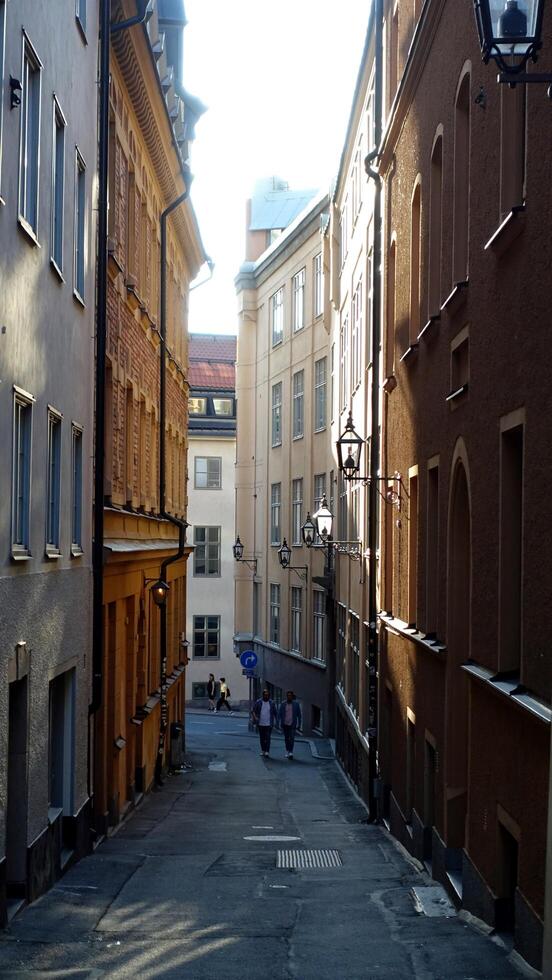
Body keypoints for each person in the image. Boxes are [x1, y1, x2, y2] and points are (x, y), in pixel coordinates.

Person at [252, 689, 278, 757]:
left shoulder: (271, 703)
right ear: (263, 695)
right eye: (265, 695)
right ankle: (263, 750)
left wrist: (275, 721)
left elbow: (275, 713)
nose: (266, 696)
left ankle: (267, 751)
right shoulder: (258, 702)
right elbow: (253, 710)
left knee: (268, 737)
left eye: (267, 695)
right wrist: (255, 717)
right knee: (262, 738)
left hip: (269, 724)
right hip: (261, 723)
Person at [278, 691, 302, 759]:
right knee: (286, 738)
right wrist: (279, 723)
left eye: (290, 695)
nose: (289, 697)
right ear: (286, 696)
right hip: (285, 724)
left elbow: (299, 715)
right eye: (288, 695)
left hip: (292, 724)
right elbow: (279, 714)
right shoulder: (283, 704)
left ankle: (291, 751)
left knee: (291, 738)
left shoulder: (296, 704)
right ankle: (287, 750)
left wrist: (299, 724)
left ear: (292, 696)